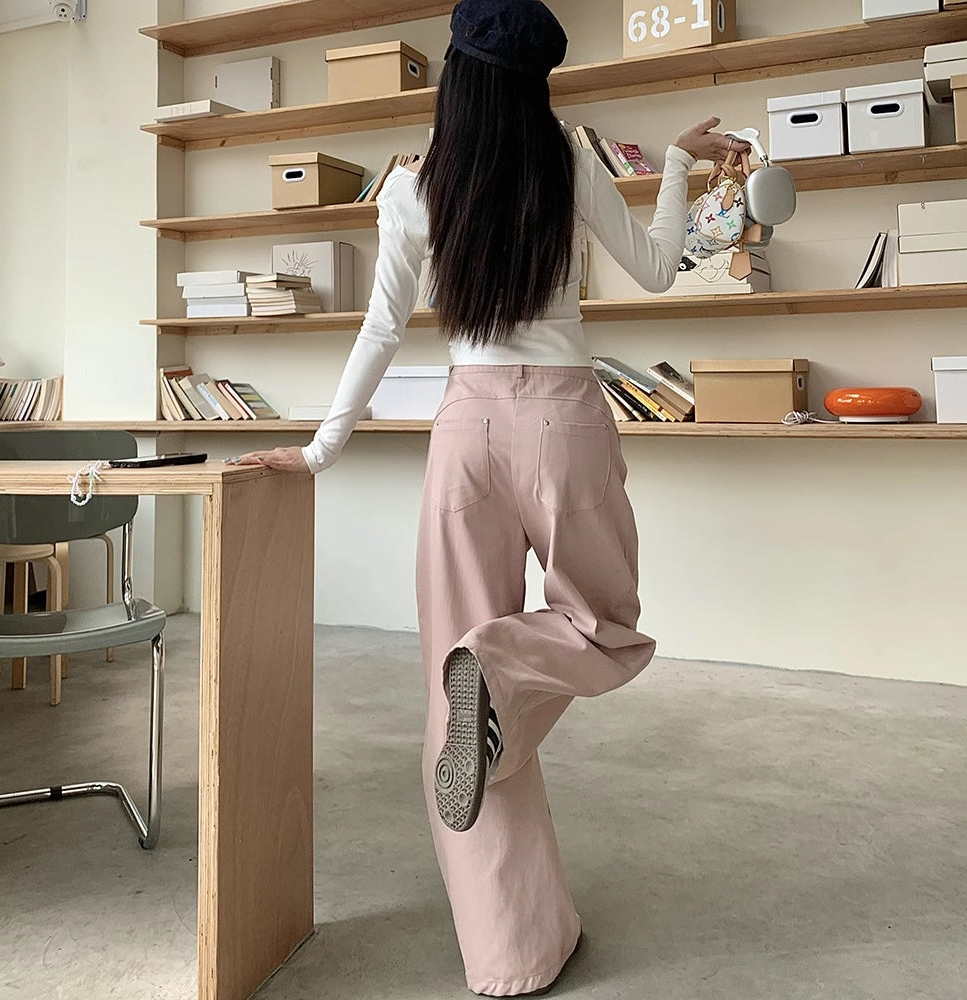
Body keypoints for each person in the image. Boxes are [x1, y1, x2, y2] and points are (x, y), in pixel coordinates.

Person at [230, 1, 750, 994]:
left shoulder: (411, 186)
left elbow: (381, 328)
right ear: (534, 85)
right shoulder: (566, 160)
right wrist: (679, 164)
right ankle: (500, 674)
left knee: (454, 703)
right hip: (563, 424)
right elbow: (654, 271)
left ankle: (511, 953)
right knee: (603, 624)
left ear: (455, 80)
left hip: (464, 432)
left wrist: (321, 448)